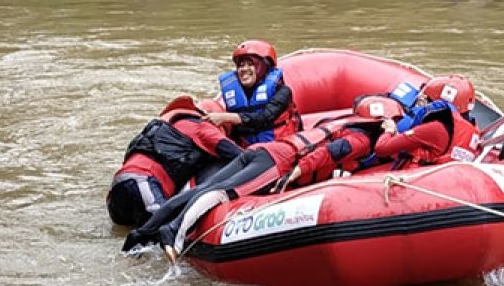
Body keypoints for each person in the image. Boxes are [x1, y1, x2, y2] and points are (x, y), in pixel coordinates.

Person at [122, 96, 399, 257]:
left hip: (263, 151)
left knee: (201, 190)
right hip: (278, 163)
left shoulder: (340, 123)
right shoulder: (362, 138)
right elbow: (328, 153)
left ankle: (141, 235)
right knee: (220, 193)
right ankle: (173, 234)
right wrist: (295, 175)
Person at [106, 97, 241, 228]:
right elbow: (241, 155)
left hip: (117, 188)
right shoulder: (202, 127)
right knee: (162, 235)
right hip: (144, 183)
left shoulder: (167, 126)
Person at [205, 40, 301, 147]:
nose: (244, 69)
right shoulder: (233, 93)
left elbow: (263, 118)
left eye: (251, 64)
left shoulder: (283, 92)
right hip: (245, 149)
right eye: (241, 65)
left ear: (264, 67)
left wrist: (226, 117)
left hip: (278, 147)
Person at [374, 75, 482, 166]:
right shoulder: (472, 130)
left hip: (412, 181)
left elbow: (381, 149)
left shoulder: (435, 128)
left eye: (426, 99)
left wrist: (389, 129)